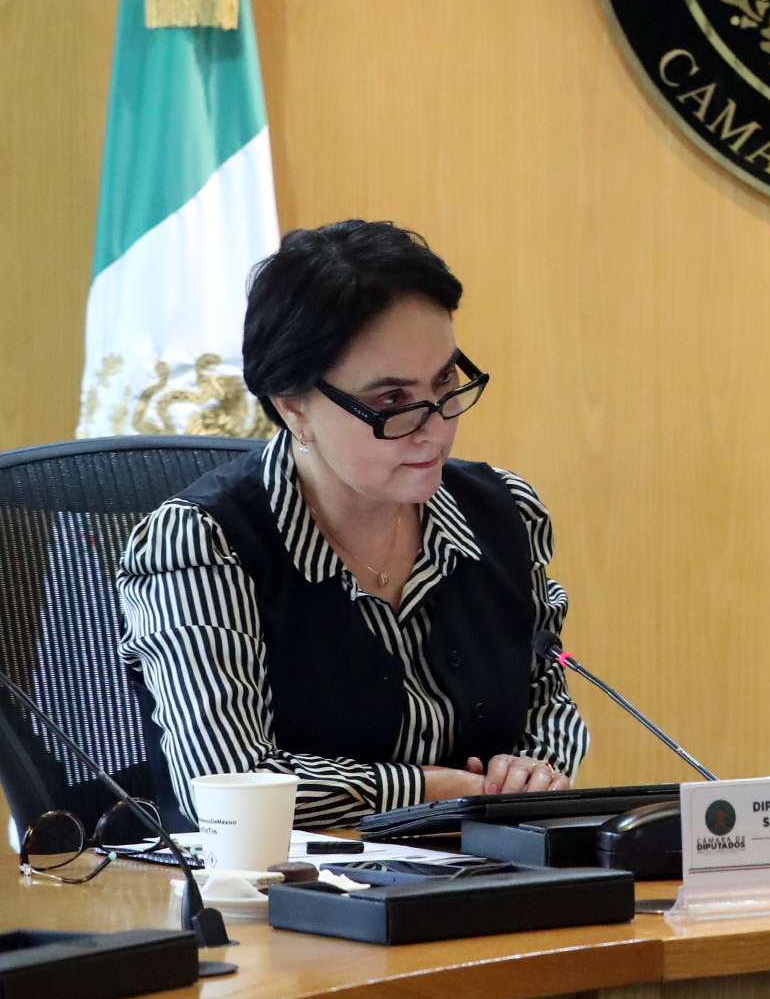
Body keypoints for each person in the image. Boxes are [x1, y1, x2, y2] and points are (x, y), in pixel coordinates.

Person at [118, 221, 589, 829]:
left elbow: (549, 702)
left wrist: (533, 772)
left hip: (476, 868)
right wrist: (429, 790)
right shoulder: (201, 544)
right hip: (273, 883)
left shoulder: (506, 513)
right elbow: (225, 783)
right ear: (293, 405)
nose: (435, 429)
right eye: (392, 402)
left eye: (445, 381)